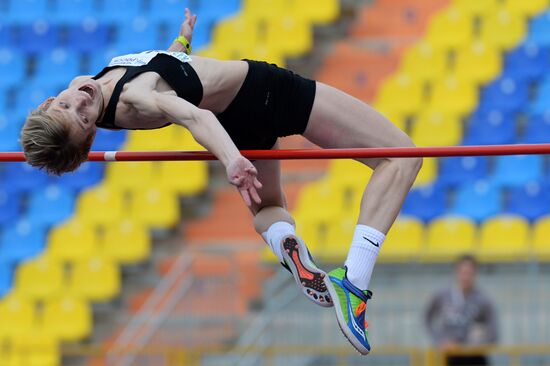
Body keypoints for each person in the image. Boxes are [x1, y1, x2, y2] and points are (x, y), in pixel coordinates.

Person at [20, 8, 421, 355]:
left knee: (267, 209)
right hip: (266, 93)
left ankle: (285, 243)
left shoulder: (88, 84)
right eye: (83, 117)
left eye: (67, 104)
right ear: (92, 134)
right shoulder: (132, 99)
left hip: (237, 118)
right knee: (401, 158)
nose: (82, 99)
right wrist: (232, 160)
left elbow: (165, 74)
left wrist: (181, 44)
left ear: (46, 102)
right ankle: (354, 283)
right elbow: (195, 118)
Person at [425, 255, 499, 365]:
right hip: (449, 357)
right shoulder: (442, 296)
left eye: (470, 273)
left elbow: (494, 332)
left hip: (475, 357)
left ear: (475, 274)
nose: (466, 277)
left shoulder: (483, 300)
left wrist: (478, 342)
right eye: (463, 272)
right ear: (456, 272)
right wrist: (440, 340)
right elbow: (427, 318)